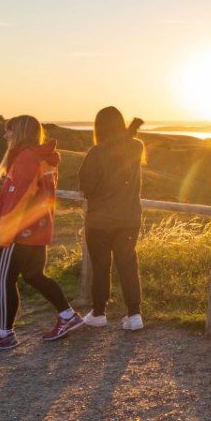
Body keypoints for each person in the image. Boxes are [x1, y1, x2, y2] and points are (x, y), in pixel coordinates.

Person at [0, 115, 84, 352]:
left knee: (5, 280)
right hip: (38, 226)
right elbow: (36, 193)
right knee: (34, 275)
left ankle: (4, 335)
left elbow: (21, 196)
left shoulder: (25, 157)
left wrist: (5, 231)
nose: (5, 135)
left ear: (19, 133)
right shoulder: (43, 157)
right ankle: (68, 315)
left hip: (18, 231)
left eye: (8, 131)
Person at [78, 107, 146, 331]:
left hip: (100, 221)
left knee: (101, 266)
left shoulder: (97, 152)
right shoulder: (136, 147)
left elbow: (86, 188)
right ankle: (134, 315)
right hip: (129, 218)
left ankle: (99, 313)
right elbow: (124, 152)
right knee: (127, 264)